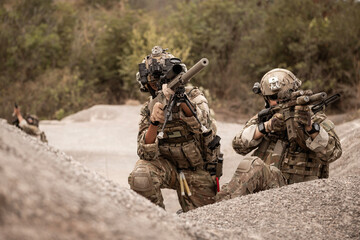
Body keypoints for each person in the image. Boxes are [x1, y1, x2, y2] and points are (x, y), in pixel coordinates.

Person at [217, 68, 342, 201]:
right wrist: (266, 126)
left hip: (302, 192)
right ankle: (222, 205)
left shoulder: (314, 117)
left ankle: (222, 204)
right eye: (273, 98)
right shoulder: (266, 117)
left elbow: (334, 152)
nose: (278, 101)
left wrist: (310, 128)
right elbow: (238, 145)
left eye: (283, 96)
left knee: (254, 165)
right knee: (252, 165)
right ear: (265, 98)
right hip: (269, 187)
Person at [128, 46, 222, 212]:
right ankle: (157, 221)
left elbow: (202, 125)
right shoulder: (148, 108)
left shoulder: (194, 96)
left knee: (205, 220)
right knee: (141, 175)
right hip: (168, 169)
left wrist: (180, 99)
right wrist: (154, 122)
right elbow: (145, 153)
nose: (157, 84)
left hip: (197, 170)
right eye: (153, 81)